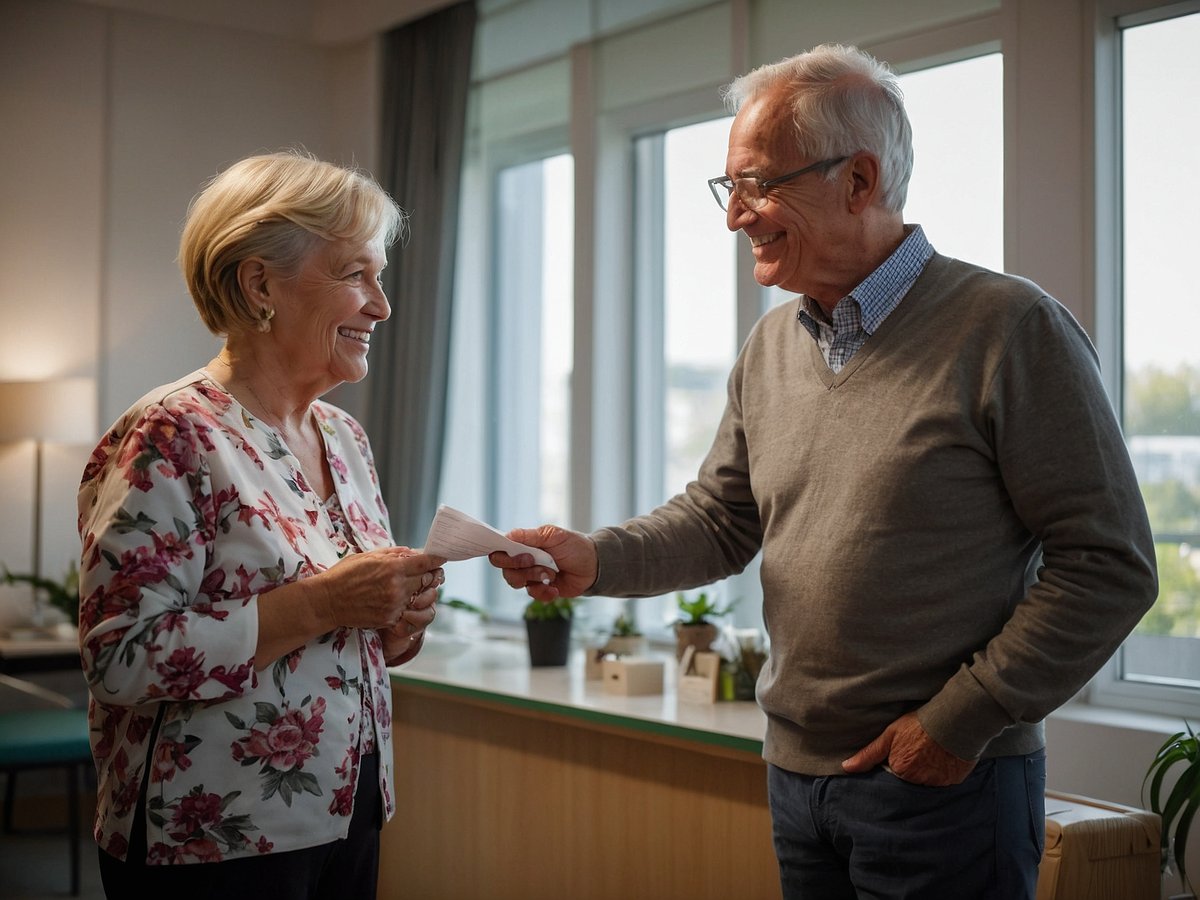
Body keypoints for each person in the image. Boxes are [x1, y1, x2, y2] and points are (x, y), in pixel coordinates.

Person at [490, 44, 1158, 899]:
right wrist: (593, 557)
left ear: (859, 180)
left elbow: (1110, 563)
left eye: (760, 185)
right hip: (797, 781)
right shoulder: (770, 345)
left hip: (944, 784)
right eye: (729, 187)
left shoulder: (1010, 328)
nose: (737, 216)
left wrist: (957, 725)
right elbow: (720, 519)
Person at [77, 151, 446, 899]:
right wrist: (323, 603)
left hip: (350, 810)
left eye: (381, 276)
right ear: (259, 283)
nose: (381, 305)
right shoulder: (169, 433)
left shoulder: (344, 438)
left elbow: (344, 637)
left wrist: (396, 621)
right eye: (355, 274)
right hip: (211, 841)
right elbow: (121, 658)